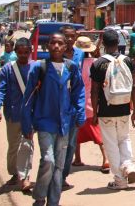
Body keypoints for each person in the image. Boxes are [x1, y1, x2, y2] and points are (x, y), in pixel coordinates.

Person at [21, 32, 85, 206]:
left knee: (59, 166)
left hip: (64, 123)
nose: (56, 46)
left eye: (60, 43)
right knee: (48, 160)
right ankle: (40, 196)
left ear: (65, 47)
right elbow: (28, 98)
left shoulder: (71, 68)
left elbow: (79, 92)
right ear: (47, 46)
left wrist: (80, 113)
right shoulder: (39, 68)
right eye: (53, 43)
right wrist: (26, 124)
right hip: (44, 121)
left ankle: (54, 201)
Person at [91, 29, 135, 190]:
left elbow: (95, 91)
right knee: (124, 139)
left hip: (106, 111)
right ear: (118, 43)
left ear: (103, 44)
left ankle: (119, 180)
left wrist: (95, 112)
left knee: (111, 143)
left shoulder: (98, 63)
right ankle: (128, 165)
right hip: (125, 108)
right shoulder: (128, 61)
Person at [0, 38, 35, 192]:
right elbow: (1, 91)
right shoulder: (7, 69)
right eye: (20, 52)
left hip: (29, 115)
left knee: (28, 145)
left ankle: (25, 177)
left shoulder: (36, 67)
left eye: (26, 52)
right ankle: (14, 173)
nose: (23, 55)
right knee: (13, 146)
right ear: (15, 52)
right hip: (12, 114)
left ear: (30, 52)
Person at [71, 36, 109, 174]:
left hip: (78, 103)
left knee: (76, 133)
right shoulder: (96, 63)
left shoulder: (74, 65)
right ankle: (105, 159)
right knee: (98, 133)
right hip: (94, 104)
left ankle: (78, 158)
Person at [60, 24, 85, 189]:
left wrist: (81, 109)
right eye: (66, 36)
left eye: (71, 36)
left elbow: (81, 82)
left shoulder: (80, 54)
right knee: (57, 144)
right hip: (57, 106)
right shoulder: (55, 55)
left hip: (74, 106)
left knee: (70, 144)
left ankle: (62, 177)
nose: (69, 39)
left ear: (75, 37)